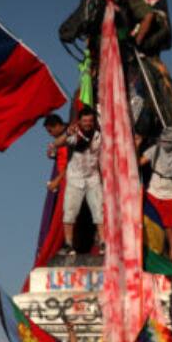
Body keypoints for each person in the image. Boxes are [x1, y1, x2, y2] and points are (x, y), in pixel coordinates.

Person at [53, 107, 103, 255]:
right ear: (80, 121)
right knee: (69, 212)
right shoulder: (74, 134)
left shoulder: (99, 136)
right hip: (75, 179)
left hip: (93, 177)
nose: (87, 123)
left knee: (99, 212)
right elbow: (58, 143)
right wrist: (67, 133)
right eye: (85, 120)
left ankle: (104, 243)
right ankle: (68, 244)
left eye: (90, 121)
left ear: (93, 122)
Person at [139, 127, 172, 261]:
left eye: (168, 141)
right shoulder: (155, 149)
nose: (165, 144)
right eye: (164, 140)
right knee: (148, 221)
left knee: (170, 226)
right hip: (154, 190)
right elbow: (140, 162)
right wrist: (136, 145)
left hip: (171, 193)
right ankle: (147, 251)